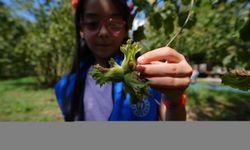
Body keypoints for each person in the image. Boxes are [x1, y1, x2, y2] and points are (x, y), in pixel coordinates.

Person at [55, 0, 192, 121]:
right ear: (81, 29)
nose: (103, 32)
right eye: (92, 23)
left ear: (126, 29)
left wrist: (175, 100)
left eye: (114, 24)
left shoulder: (148, 74)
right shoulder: (65, 87)